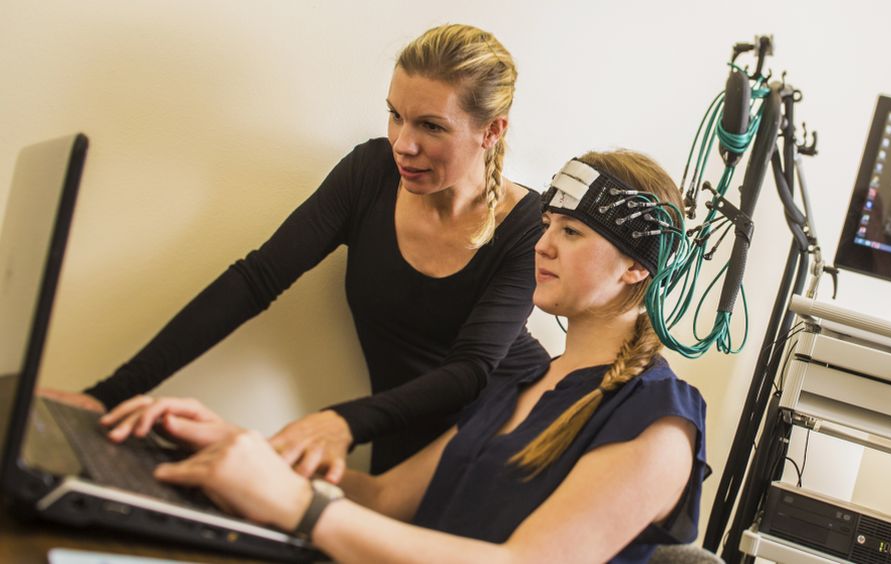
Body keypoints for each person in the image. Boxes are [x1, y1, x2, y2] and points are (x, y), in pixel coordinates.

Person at [108, 149, 709, 563]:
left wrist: (295, 505)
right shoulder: (525, 377)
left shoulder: (658, 424)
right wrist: (241, 445)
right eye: (548, 224)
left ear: (637, 266)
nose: (543, 244)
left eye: (572, 233)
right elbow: (386, 498)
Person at [41, 23, 550, 479]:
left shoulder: (530, 224)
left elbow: (471, 369)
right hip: (399, 442)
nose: (403, 143)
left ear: (492, 129)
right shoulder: (369, 174)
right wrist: (106, 395)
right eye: (396, 116)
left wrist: (338, 422)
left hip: (513, 430)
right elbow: (257, 279)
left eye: (431, 126)